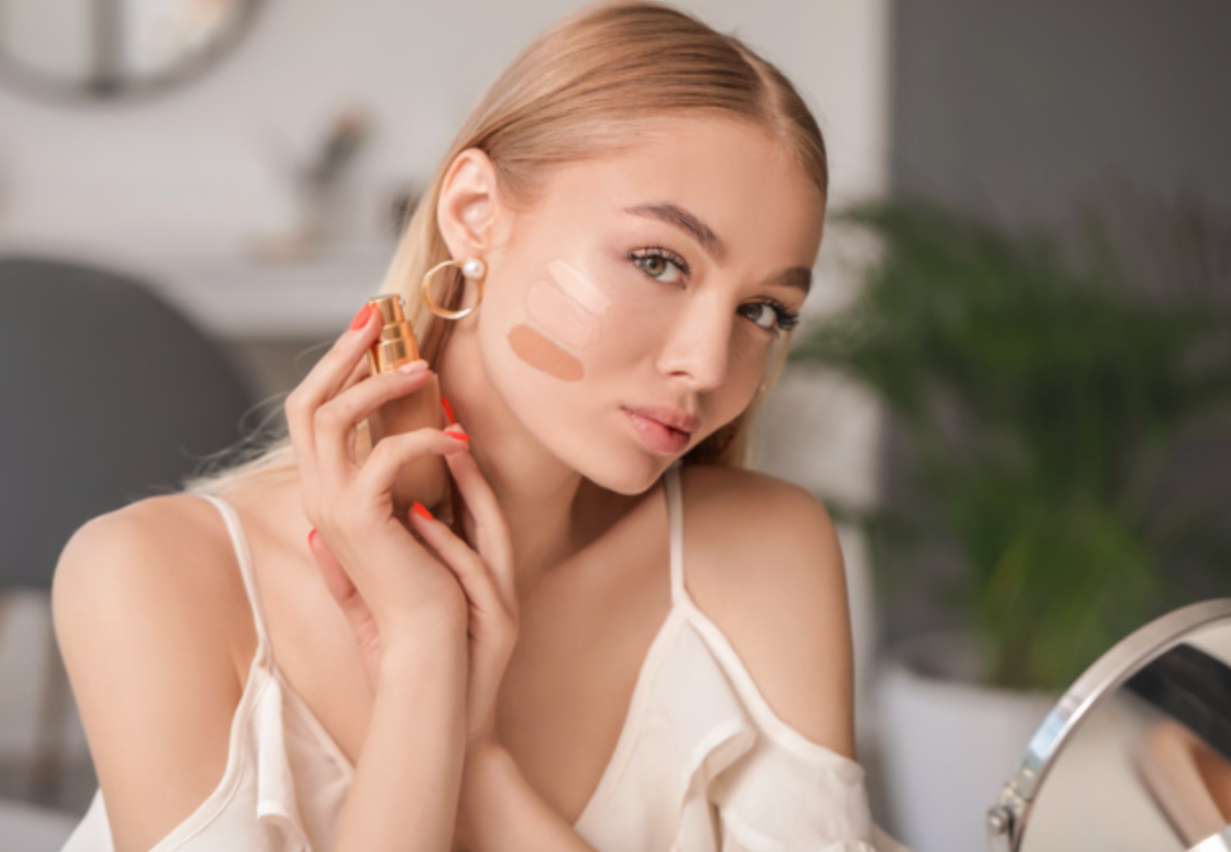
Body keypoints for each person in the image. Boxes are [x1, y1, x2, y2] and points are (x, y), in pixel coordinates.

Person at [52, 1, 908, 850]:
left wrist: (475, 753)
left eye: (764, 310)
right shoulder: (151, 576)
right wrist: (424, 653)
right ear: (473, 214)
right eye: (659, 261)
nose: (711, 365)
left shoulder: (760, 553)